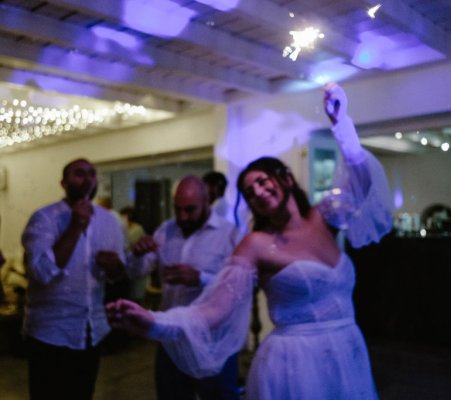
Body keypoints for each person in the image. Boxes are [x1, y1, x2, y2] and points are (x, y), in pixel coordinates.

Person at [106, 83, 393, 399]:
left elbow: (366, 188)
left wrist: (342, 127)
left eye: (261, 181)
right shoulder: (256, 244)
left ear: (284, 177)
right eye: (249, 193)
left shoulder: (325, 217)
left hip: (346, 350)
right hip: (294, 364)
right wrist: (154, 321)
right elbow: (214, 310)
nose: (257, 192)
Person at [127, 175, 243, 400]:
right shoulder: (165, 230)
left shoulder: (229, 235)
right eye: (177, 209)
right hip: (172, 338)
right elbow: (136, 272)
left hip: (214, 341)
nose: (182, 216)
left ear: (207, 201)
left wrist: (200, 278)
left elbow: (240, 289)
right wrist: (137, 254)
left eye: (190, 210)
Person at [21, 158, 126, 400]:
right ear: (63, 183)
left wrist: (114, 267)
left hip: (92, 329)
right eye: (79, 174)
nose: (88, 179)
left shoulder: (108, 220)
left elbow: (119, 273)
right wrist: (76, 225)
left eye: (92, 173)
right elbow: (42, 272)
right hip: (51, 332)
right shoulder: (44, 219)